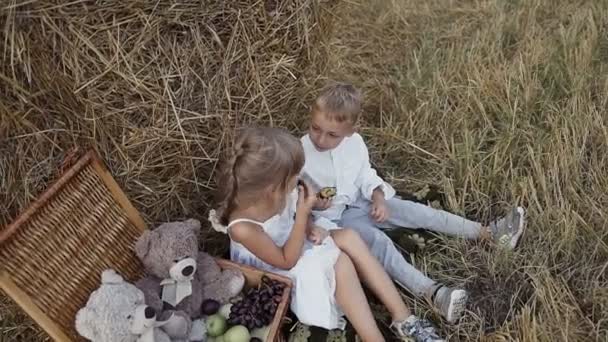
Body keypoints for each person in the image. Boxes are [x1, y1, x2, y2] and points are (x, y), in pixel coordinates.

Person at [299, 82, 527, 323]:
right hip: (335, 219)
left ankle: (488, 234)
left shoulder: (355, 144)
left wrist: (378, 198)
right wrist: (314, 205)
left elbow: (365, 174)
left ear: (351, 130)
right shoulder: (301, 152)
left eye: (332, 134)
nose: (321, 139)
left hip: (361, 201)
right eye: (315, 128)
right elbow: (295, 198)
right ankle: (434, 293)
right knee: (379, 244)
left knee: (416, 211)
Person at [208, 126, 445, 342]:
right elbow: (285, 260)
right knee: (339, 262)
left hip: (295, 239)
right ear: (273, 189)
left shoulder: (275, 193)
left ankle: (404, 320)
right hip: (278, 270)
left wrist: (310, 223)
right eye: (293, 179)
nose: (298, 182)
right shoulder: (243, 227)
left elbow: (292, 215)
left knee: (349, 236)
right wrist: (303, 213)